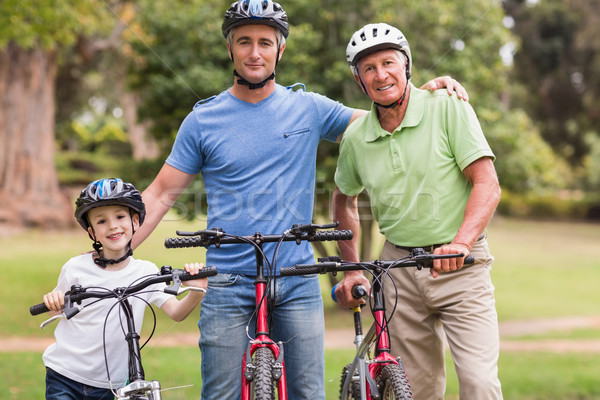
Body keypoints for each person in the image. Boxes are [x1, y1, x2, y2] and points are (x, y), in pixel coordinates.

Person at [131, 1, 468, 398]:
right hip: (226, 280)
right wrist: (109, 255)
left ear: (280, 50)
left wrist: (426, 95)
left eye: (265, 42)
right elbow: (158, 193)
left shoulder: (308, 108)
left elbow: (384, 119)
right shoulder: (203, 119)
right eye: (244, 42)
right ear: (230, 49)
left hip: (297, 279)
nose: (254, 52)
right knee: (220, 393)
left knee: (308, 393)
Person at [333, 23, 503, 400]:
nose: (381, 75)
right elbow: (343, 199)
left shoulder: (447, 106)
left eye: (389, 62)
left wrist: (460, 243)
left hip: (462, 265)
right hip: (399, 273)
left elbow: (487, 184)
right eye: (369, 68)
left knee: (479, 384)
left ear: (406, 65)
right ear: (359, 81)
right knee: (416, 391)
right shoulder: (357, 138)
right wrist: (353, 268)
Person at [41, 178, 208, 400]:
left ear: (135, 221)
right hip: (65, 375)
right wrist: (55, 301)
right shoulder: (76, 268)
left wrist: (197, 290)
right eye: (101, 221)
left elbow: (177, 313)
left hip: (112, 385)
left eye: (120, 217)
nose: (112, 226)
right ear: (92, 233)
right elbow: (57, 311)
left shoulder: (145, 271)